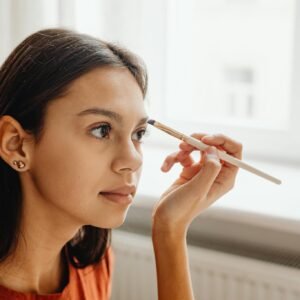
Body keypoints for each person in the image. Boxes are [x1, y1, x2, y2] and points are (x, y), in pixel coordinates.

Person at [0, 28, 242, 300]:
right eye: (101, 130)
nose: (134, 159)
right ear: (16, 144)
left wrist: (170, 229)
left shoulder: (92, 266)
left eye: (138, 134)